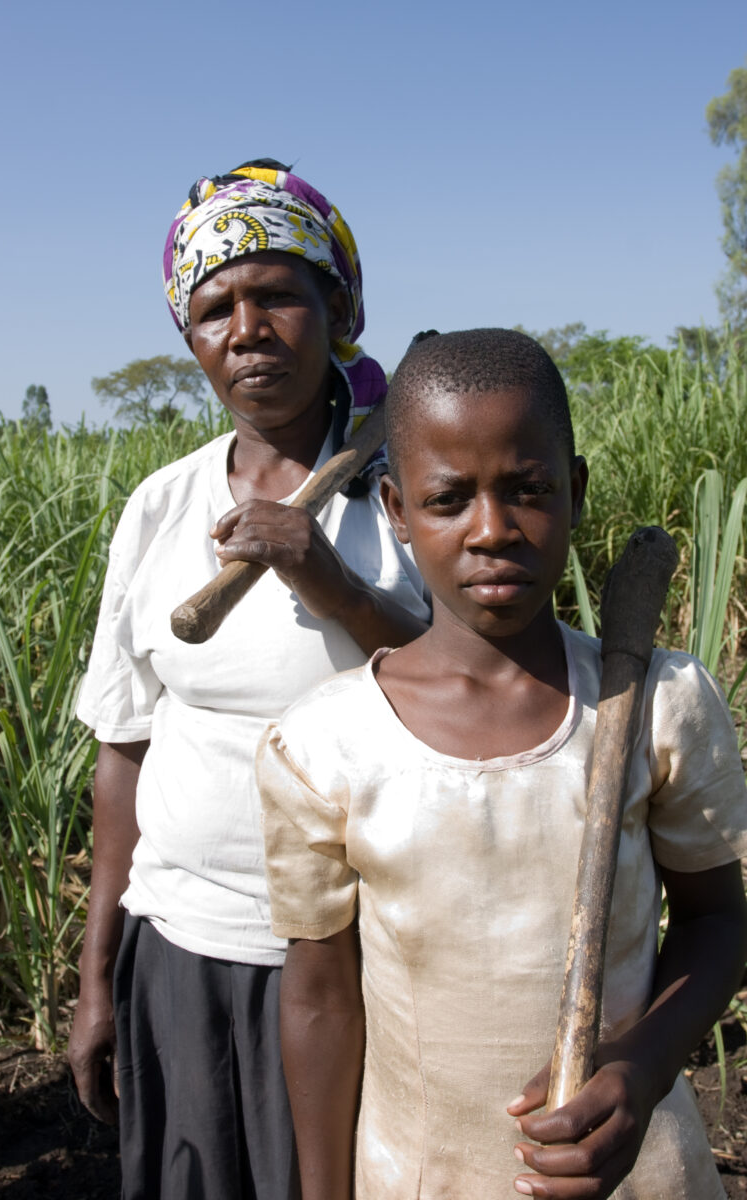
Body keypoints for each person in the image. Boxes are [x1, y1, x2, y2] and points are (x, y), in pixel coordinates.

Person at [257, 328, 747, 1199]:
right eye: (449, 500)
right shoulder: (324, 746)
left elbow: (717, 923)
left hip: (639, 1174)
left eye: (528, 490)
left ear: (577, 491)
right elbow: (322, 998)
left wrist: (639, 1069)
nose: (493, 530)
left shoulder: (659, 705)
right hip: (419, 1175)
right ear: (397, 510)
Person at [67, 160, 430, 1199]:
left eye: (276, 293)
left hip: (358, 958)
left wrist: (326, 574)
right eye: (214, 307)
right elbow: (125, 747)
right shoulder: (161, 507)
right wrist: (98, 979)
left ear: (339, 307)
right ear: (191, 339)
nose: (246, 328)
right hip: (177, 943)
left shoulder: (407, 490)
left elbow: (475, 689)